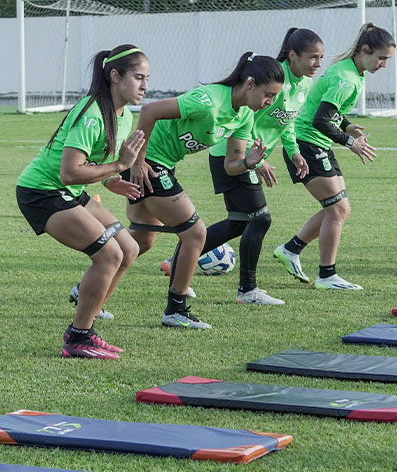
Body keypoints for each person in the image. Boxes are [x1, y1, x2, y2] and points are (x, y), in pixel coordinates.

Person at [127, 52, 283, 329]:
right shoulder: (208, 102)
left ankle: (88, 287)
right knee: (195, 233)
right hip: (148, 165)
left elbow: (231, 166)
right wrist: (137, 162)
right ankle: (176, 309)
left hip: (163, 166)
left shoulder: (244, 115)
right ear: (249, 83)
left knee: (141, 241)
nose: (269, 102)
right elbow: (150, 111)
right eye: (268, 95)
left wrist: (249, 162)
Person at [17, 45, 147, 359]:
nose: (145, 86)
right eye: (139, 77)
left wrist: (114, 183)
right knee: (108, 255)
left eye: (147, 79)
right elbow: (69, 172)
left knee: (128, 248)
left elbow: (95, 166)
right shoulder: (92, 115)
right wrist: (119, 166)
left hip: (67, 191)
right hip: (42, 192)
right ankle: (77, 338)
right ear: (115, 76)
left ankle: (86, 326)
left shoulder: (124, 115)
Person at [186, 29, 324, 306]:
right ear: (293, 55)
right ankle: (247, 290)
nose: (318, 64)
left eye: (321, 58)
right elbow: (243, 119)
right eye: (313, 58)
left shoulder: (302, 85)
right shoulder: (271, 81)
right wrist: (256, 161)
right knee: (260, 219)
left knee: (239, 222)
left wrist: (294, 152)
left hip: (250, 156)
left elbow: (287, 122)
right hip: (233, 154)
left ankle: (181, 259)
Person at [273, 23, 395, 290]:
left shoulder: (352, 72)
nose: (384, 64)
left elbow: (330, 111)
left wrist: (347, 124)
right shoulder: (346, 78)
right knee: (337, 209)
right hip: (307, 145)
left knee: (339, 209)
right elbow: (320, 119)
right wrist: (349, 140)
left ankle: (291, 250)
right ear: (365, 50)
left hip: (318, 145)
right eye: (382, 58)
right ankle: (326, 275)